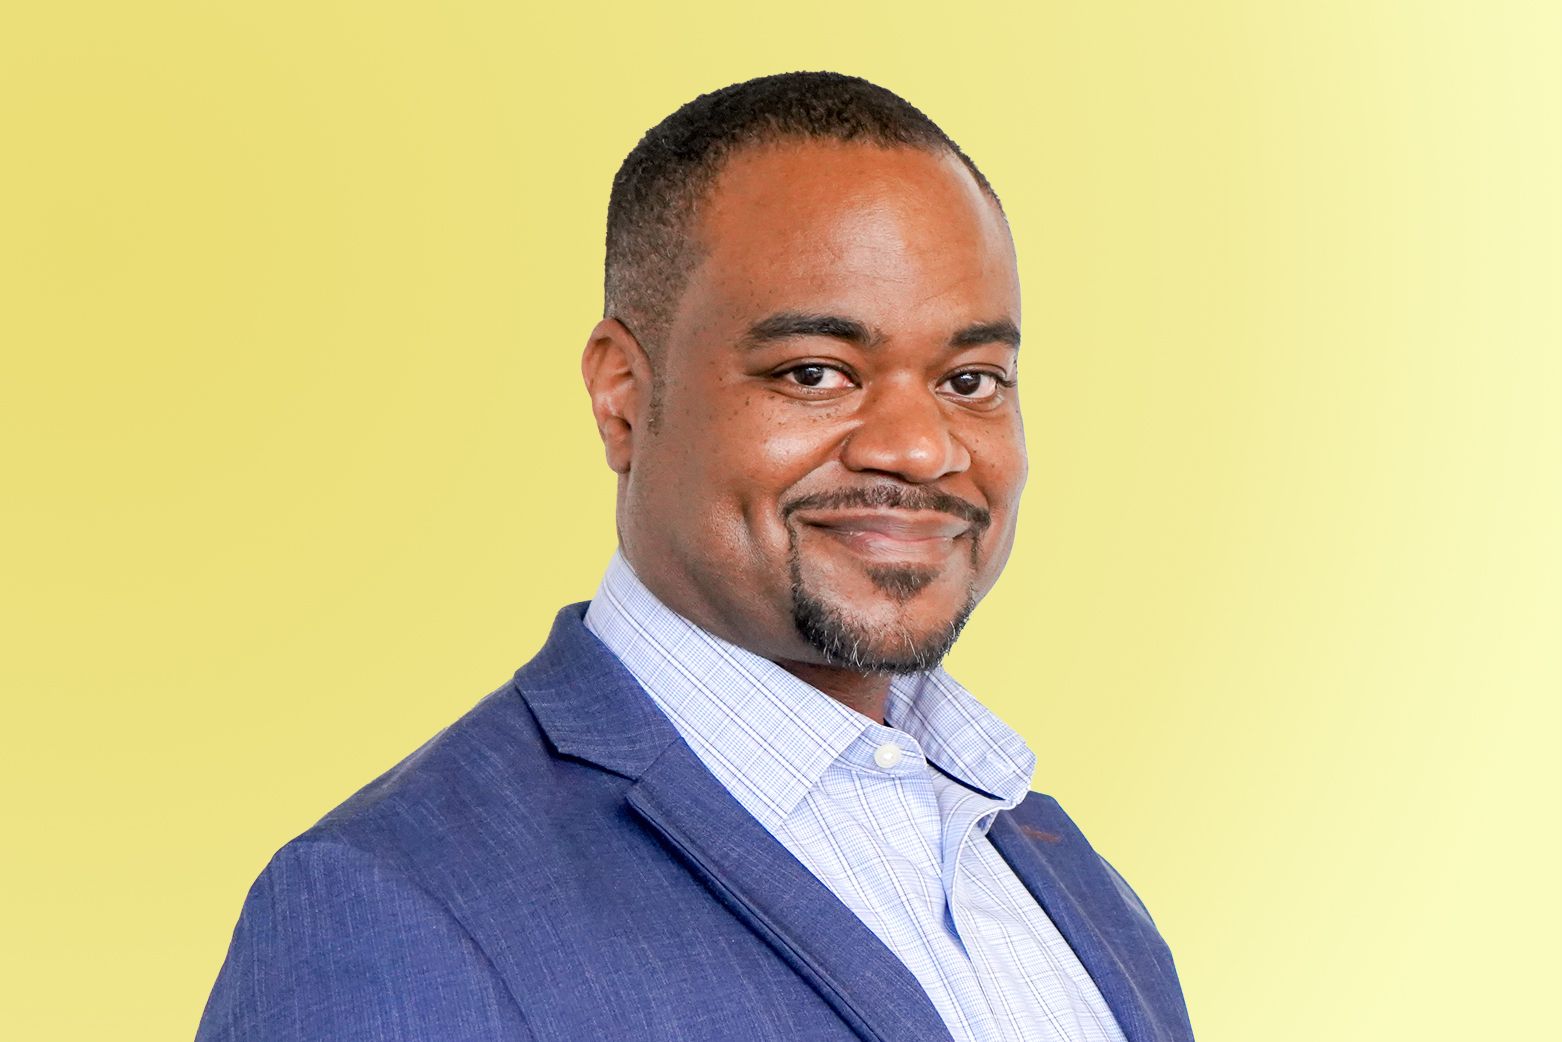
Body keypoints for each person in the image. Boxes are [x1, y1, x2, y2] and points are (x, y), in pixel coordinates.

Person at [197, 71, 1194, 1042]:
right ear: (622, 395)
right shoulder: (395, 909)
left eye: (970, 380)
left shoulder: (1064, 879)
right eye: (815, 372)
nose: (918, 448)